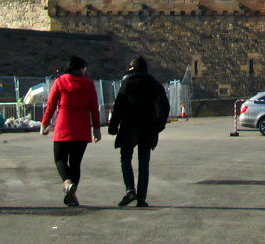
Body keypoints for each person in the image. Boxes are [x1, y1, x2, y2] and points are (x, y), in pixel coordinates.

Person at [108, 56, 170, 207]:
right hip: (148, 128)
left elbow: (119, 105)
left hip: (129, 126)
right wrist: (159, 126)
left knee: (125, 159)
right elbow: (165, 107)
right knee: (144, 163)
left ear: (133, 68)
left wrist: (113, 126)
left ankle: (130, 190)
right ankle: (141, 198)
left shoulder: (127, 83)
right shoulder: (155, 84)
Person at [40, 55, 101, 207]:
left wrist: (44, 124)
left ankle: (67, 184)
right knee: (75, 163)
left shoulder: (60, 81)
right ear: (80, 68)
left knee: (60, 158)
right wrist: (97, 128)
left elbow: (51, 105)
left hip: (64, 124)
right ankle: (72, 195)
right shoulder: (88, 83)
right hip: (82, 126)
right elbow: (94, 107)